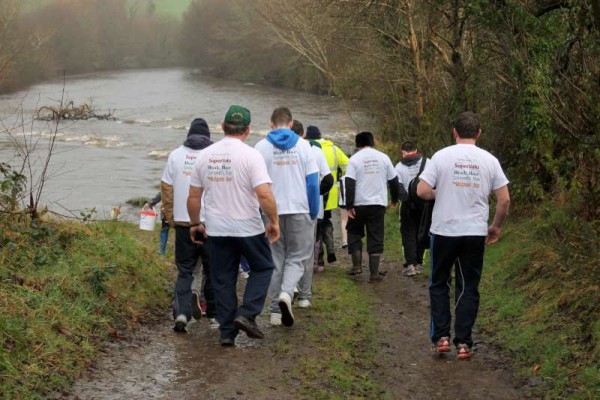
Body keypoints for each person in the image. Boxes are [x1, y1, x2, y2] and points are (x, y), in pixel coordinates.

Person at [417, 111, 510, 360]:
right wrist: (495, 226)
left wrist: (443, 192)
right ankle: (463, 343)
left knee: (438, 283)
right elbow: (504, 199)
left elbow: (422, 190)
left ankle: (442, 337)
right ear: (478, 133)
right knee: (468, 286)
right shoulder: (489, 160)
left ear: (454, 132)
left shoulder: (441, 156)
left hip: (444, 231)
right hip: (474, 232)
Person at [188, 105, 279, 347]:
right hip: (248, 227)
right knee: (263, 267)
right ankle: (247, 313)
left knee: (223, 279)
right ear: (248, 129)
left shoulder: (204, 156)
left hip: (217, 229)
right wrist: (274, 221)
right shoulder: (251, 155)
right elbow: (264, 194)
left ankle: (227, 333)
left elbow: (194, 196)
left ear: (222, 126)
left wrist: (195, 223)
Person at [255, 107, 319, 327]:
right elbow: (312, 183)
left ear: (271, 124)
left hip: (271, 210)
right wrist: (313, 210)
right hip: (299, 208)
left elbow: (256, 185)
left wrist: (257, 211)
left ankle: (274, 311)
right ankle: (286, 294)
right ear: (291, 124)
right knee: (298, 257)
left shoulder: (260, 147)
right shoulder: (304, 146)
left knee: (276, 259)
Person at [160, 118, 216, 333]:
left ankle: (182, 313)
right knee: (212, 270)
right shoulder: (214, 155)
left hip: (185, 223)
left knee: (185, 271)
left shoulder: (176, 155)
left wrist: (171, 217)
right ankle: (214, 315)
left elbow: (166, 187)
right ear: (208, 136)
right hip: (210, 223)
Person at [344, 131, 402, 282]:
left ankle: (357, 266)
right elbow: (394, 181)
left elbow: (349, 183)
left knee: (354, 231)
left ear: (357, 144)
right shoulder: (384, 158)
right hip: (378, 204)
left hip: (358, 204)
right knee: (375, 236)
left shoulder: (354, 159)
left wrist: (349, 205)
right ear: (373, 142)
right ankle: (374, 274)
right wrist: (395, 200)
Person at [292, 120, 333, 309]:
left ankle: (289, 288)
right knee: (306, 250)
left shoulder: (270, 148)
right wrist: (318, 195)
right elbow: (329, 178)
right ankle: (303, 294)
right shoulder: (314, 150)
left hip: (284, 207)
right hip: (310, 208)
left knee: (285, 252)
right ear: (303, 135)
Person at [306, 125, 349, 268]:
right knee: (326, 221)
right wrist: (341, 179)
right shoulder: (334, 148)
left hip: (315, 192)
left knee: (316, 226)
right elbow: (347, 165)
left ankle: (319, 260)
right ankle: (330, 247)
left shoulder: (309, 149)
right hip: (331, 193)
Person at [395, 141, 427, 277]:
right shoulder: (428, 162)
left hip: (408, 206)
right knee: (422, 232)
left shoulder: (399, 166)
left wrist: (406, 200)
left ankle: (410, 265)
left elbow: (398, 187)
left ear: (403, 152)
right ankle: (419, 264)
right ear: (416, 149)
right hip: (425, 204)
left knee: (408, 234)